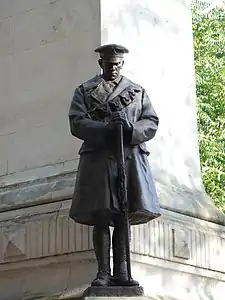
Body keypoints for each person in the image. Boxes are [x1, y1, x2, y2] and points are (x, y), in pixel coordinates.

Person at [69, 44, 161, 287]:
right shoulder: (85, 91)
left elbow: (150, 121)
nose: (113, 68)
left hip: (128, 160)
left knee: (123, 217)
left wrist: (131, 129)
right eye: (108, 64)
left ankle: (122, 272)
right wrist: (104, 128)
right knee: (101, 215)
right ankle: (103, 273)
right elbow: (77, 122)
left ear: (122, 64)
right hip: (99, 161)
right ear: (101, 64)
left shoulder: (137, 92)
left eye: (117, 64)